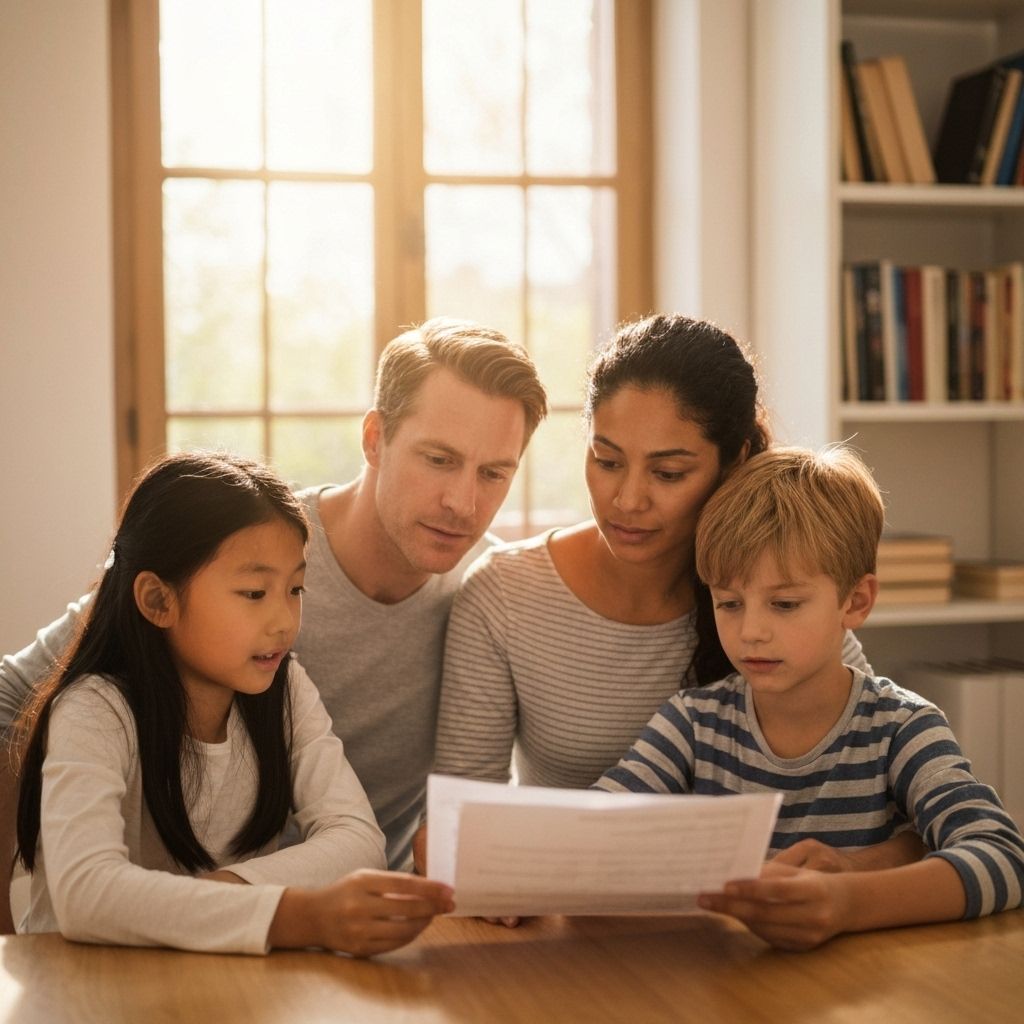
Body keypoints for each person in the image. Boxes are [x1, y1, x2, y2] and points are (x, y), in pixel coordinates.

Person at [0, 317, 548, 917]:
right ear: (374, 438)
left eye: (494, 473)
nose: (463, 503)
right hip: (155, 918)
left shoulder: (490, 590)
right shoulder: (248, 554)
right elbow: (14, 696)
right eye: (439, 459)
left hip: (344, 916)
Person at [14, 450, 454, 956]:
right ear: (158, 601)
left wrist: (222, 894)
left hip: (212, 980)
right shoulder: (96, 710)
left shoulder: (285, 690)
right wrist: (293, 916)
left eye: (295, 589)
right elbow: (85, 894)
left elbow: (357, 837)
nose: (284, 621)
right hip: (79, 985)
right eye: (253, 593)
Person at [596, 445, 1024, 950]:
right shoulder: (691, 724)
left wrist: (847, 901)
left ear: (856, 601)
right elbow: (593, 828)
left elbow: (1003, 856)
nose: (751, 630)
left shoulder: (902, 728)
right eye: (729, 603)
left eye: (785, 604)